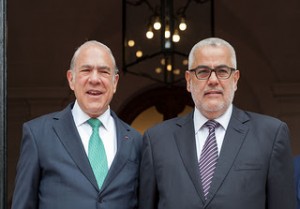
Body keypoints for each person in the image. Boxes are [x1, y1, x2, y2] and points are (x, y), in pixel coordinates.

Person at [138, 37, 296, 209]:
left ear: (235, 79)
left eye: (222, 71)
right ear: (189, 80)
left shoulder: (271, 134)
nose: (213, 80)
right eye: (203, 71)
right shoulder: (156, 140)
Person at [11, 40, 142, 209]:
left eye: (103, 71)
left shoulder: (135, 140)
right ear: (71, 79)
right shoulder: (38, 135)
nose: (94, 79)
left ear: (115, 82)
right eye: (86, 70)